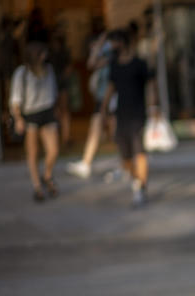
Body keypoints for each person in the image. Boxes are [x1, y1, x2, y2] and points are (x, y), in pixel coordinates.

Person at [101, 28, 155, 207]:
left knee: (140, 152)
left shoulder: (139, 64)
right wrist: (103, 112)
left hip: (138, 114)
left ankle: (141, 188)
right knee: (125, 158)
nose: (112, 46)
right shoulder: (114, 66)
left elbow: (150, 86)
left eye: (114, 42)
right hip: (121, 115)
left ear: (122, 43)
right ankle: (136, 181)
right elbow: (110, 89)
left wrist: (153, 107)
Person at [9, 40, 60, 202]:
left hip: (47, 111)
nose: (45, 56)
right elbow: (15, 99)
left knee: (53, 150)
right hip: (30, 114)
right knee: (33, 153)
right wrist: (18, 118)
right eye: (41, 53)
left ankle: (47, 175)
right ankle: (37, 186)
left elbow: (53, 91)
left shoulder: (48, 69)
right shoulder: (22, 73)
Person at [65, 22, 114, 180]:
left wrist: (100, 47)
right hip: (103, 98)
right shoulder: (103, 53)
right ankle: (86, 163)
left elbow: (93, 63)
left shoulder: (110, 53)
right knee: (96, 130)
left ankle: (127, 164)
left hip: (113, 98)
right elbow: (91, 63)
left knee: (114, 132)